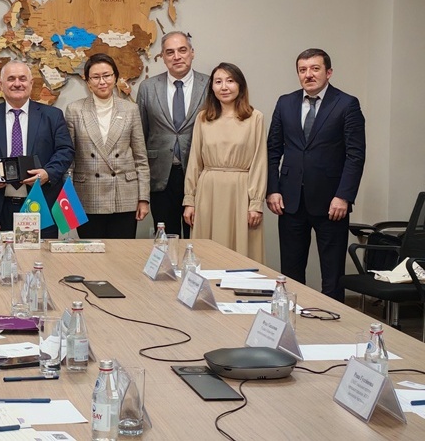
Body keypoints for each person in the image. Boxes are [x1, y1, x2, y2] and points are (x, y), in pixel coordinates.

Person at [267, 48, 366, 302]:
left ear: (328, 72)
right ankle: (291, 316)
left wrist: (344, 196)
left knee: (332, 276)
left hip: (331, 203)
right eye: (302, 70)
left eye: (315, 68)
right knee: (290, 271)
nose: (308, 75)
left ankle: (333, 321)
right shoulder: (285, 103)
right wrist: (273, 189)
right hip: (290, 201)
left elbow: (355, 155)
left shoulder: (346, 104)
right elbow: (273, 150)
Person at [0, 60, 74, 237]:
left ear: (31, 83)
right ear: (1, 84)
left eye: (22, 79)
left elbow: (65, 150)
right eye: (11, 79)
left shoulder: (53, 116)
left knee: (42, 254)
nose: (17, 84)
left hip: (42, 204)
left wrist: (48, 173)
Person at [182, 63, 267, 262]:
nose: (224, 87)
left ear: (240, 85)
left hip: (240, 192)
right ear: (212, 87)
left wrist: (256, 203)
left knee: (240, 255)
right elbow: (195, 161)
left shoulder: (255, 118)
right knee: (206, 254)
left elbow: (260, 161)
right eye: (218, 82)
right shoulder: (203, 118)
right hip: (208, 191)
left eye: (230, 81)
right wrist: (189, 200)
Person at [64, 53, 149, 239]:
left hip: (124, 195)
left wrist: (143, 198)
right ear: (88, 82)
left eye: (107, 75)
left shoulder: (130, 109)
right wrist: (67, 200)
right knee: (91, 252)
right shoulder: (74, 110)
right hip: (87, 195)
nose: (102, 82)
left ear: (115, 77)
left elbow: (140, 159)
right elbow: (68, 159)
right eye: (96, 77)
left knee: (122, 253)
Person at [136, 31, 207, 237]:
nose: (177, 57)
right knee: (166, 240)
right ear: (163, 57)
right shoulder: (148, 88)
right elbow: (140, 135)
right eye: (170, 52)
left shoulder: (210, 85)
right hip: (160, 176)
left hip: (199, 174)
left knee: (198, 238)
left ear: (192, 53)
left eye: (182, 50)